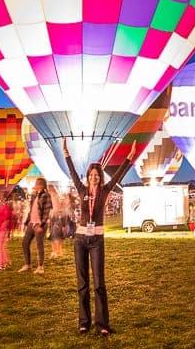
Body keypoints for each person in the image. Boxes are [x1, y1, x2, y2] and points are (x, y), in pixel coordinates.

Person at [63, 137, 137, 337]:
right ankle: (84, 323)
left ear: (100, 178)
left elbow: (119, 175)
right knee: (82, 283)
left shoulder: (105, 191)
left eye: (97, 175)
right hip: (80, 240)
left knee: (99, 283)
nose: (94, 177)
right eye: (91, 175)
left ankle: (102, 323)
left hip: (96, 241)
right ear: (87, 177)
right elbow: (72, 173)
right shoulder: (82, 190)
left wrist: (129, 159)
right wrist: (67, 155)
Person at [18, 177, 52, 274]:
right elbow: (32, 210)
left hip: (39, 224)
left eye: (36, 184)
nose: (34, 185)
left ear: (41, 185)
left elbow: (47, 211)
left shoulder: (46, 195)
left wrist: (42, 224)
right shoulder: (35, 196)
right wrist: (26, 222)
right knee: (25, 242)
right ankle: (27, 264)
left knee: (39, 244)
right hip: (32, 223)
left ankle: (40, 267)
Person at [0, 196, 14, 271]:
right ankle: (5, 263)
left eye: (2, 198)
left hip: (2, 229)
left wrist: (4, 228)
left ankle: (1, 265)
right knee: (0, 247)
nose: (0, 200)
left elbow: (7, 220)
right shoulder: (1, 208)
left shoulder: (6, 208)